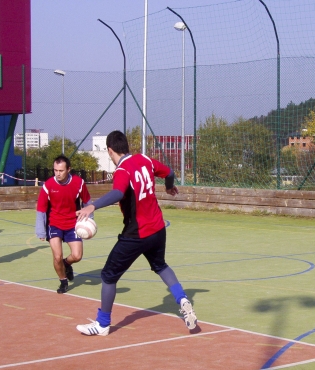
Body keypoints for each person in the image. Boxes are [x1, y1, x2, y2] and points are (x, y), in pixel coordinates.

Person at [75, 130, 197, 337]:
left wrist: (92, 206)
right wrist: (169, 187)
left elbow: (117, 193)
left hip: (136, 234)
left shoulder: (122, 170)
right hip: (158, 228)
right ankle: (183, 299)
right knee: (160, 265)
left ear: (110, 150)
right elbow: (169, 173)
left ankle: (102, 324)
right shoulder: (145, 160)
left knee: (108, 276)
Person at [35, 155, 92, 294]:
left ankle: (66, 264)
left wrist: (89, 220)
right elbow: (41, 208)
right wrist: (40, 230)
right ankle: (63, 281)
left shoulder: (78, 183)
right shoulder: (48, 185)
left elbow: (87, 202)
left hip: (73, 223)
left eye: (61, 170)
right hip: (54, 224)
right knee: (57, 257)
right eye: (55, 170)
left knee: (77, 256)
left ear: (68, 169)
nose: (58, 173)